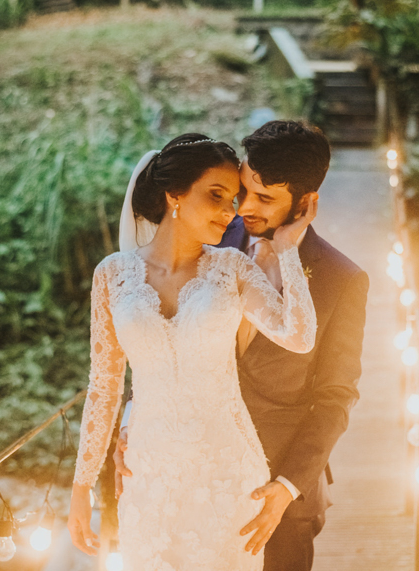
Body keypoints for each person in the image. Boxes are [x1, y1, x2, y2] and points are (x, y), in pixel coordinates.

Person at [114, 121, 368, 571]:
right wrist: (134, 425)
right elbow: (157, 340)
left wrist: (287, 486)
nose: (243, 208)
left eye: (264, 198)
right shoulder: (206, 240)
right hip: (188, 481)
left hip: (276, 494)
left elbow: (337, 397)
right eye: (243, 190)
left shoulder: (341, 281)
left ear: (306, 203)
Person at [67, 133, 319, 571]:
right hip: (149, 476)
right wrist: (81, 486)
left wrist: (288, 250)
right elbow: (104, 388)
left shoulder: (232, 268)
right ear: (174, 195)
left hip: (226, 473)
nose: (230, 212)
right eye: (216, 196)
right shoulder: (112, 275)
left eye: (234, 199)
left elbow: (299, 336)